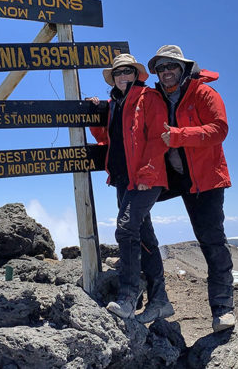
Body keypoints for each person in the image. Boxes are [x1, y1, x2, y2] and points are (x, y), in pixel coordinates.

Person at [145, 45, 236, 333]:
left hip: (205, 179)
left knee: (211, 240)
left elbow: (219, 129)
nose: (166, 72)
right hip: (172, 177)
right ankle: (153, 295)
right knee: (131, 211)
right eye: (160, 68)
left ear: (183, 68)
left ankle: (223, 309)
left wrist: (179, 136)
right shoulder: (156, 96)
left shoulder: (203, 93)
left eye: (171, 66)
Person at [88, 53, 174, 322]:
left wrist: (147, 172)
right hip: (123, 179)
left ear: (136, 74)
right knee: (144, 238)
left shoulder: (149, 98)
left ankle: (128, 297)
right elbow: (108, 137)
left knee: (125, 230)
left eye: (127, 71)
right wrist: (95, 114)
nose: (122, 76)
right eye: (118, 73)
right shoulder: (116, 103)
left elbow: (158, 136)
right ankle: (160, 301)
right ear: (113, 78)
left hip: (146, 178)